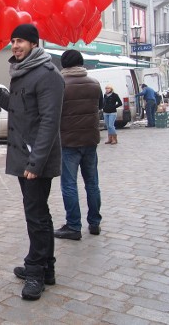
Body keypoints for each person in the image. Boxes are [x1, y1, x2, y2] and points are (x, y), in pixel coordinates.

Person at [0, 23, 64, 301]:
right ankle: (46, 267)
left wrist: (35, 163)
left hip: (35, 159)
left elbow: (50, 122)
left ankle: (36, 273)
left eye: (20, 41)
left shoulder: (47, 74)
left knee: (37, 217)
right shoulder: (22, 71)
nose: (15, 45)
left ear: (33, 44)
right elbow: (16, 107)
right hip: (23, 156)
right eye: (13, 40)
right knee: (39, 213)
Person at [54, 50, 103, 241]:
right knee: (92, 183)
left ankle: (73, 226)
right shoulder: (94, 83)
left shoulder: (60, 84)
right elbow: (100, 106)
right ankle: (95, 222)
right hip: (90, 140)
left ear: (64, 65)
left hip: (68, 142)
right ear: (81, 63)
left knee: (69, 184)